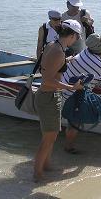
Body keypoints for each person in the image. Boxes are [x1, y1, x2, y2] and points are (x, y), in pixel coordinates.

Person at [33, 19, 84, 182]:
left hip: (47, 96)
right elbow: (47, 79)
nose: (77, 40)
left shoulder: (53, 45)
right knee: (49, 138)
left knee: (49, 136)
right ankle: (37, 174)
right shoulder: (58, 52)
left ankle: (46, 165)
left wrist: (67, 61)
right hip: (48, 96)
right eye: (77, 37)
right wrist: (71, 87)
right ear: (72, 35)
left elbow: (46, 67)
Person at [61, 33, 101, 153]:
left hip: (62, 88)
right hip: (71, 97)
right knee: (74, 123)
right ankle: (68, 147)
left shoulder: (84, 52)